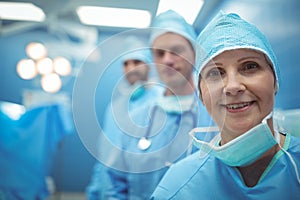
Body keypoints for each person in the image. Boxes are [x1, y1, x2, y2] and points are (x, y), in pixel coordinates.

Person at [151, 11, 300, 199]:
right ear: (202, 95)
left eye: (249, 66)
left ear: (275, 81)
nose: (232, 87)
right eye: (215, 72)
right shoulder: (177, 188)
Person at [102, 10, 213, 199]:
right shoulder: (136, 119)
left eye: (176, 51)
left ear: (194, 54)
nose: (167, 60)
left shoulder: (216, 116)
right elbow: (114, 182)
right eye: (159, 54)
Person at [86, 37, 160, 200]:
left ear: (148, 66)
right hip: (109, 188)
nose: (130, 68)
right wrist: (96, 189)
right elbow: (104, 155)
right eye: (125, 63)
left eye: (136, 62)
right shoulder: (114, 107)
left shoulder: (160, 103)